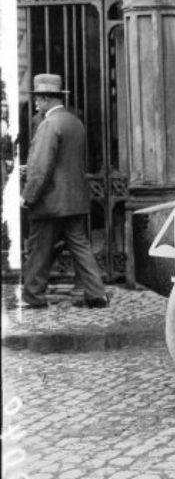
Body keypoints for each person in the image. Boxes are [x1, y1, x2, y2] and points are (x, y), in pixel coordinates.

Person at [20, 74, 109, 309]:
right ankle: (96, 294)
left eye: (39, 98)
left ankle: (33, 296)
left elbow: (41, 167)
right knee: (80, 246)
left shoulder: (48, 124)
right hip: (76, 199)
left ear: (48, 98)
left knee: (39, 249)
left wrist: (28, 196)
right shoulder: (74, 122)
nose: (36, 103)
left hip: (50, 201)